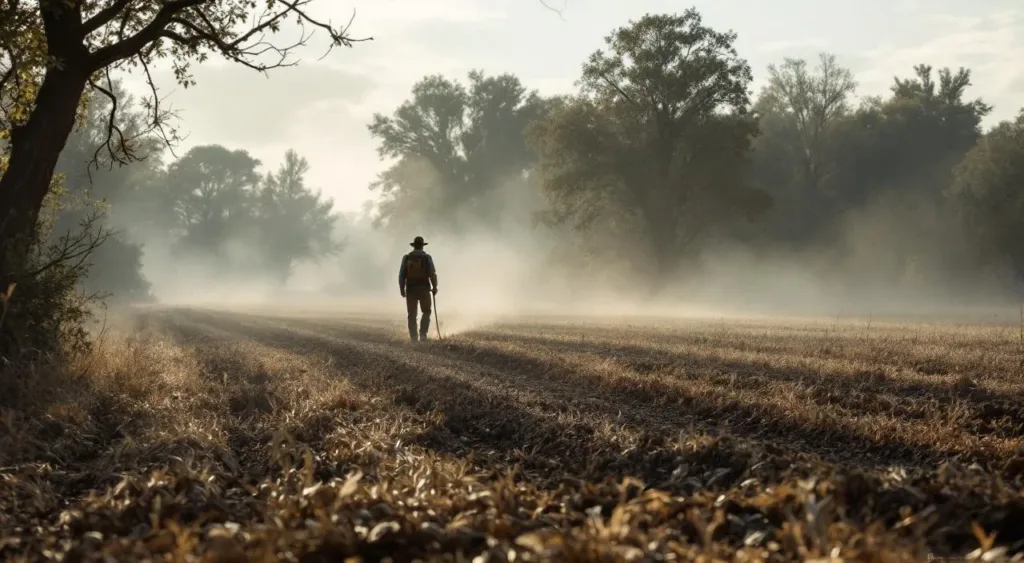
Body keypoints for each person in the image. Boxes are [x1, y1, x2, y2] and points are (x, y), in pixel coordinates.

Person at [398, 236, 438, 342]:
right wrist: (435, 286)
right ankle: (423, 334)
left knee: (412, 314)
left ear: (414, 246)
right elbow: (432, 273)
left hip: (410, 289)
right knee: (426, 311)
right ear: (422, 246)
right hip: (424, 289)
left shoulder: (407, 258)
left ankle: (414, 337)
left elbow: (401, 275)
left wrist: (402, 288)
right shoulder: (427, 258)